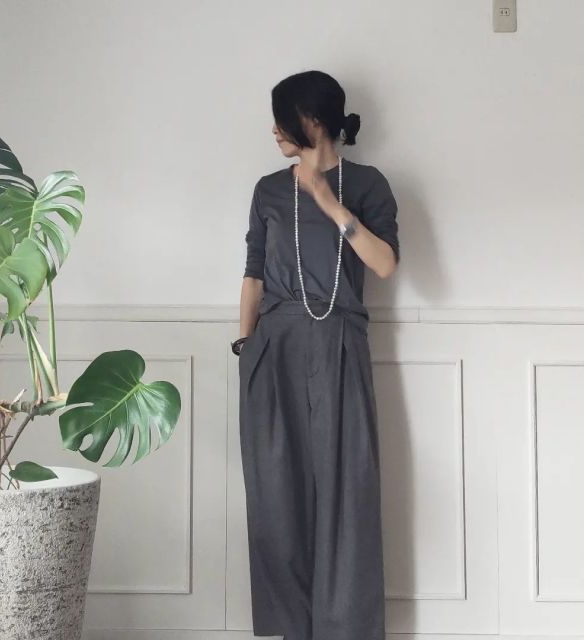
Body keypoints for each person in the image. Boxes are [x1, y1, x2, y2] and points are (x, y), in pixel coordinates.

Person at [232, 69, 400, 640]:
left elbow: (384, 264)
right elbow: (253, 274)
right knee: (275, 496)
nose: (273, 130)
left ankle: (344, 629)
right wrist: (245, 347)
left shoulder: (368, 184)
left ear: (311, 120)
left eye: (281, 118)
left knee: (347, 490)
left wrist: (328, 201)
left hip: (340, 344)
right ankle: (291, 629)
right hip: (272, 349)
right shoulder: (267, 191)